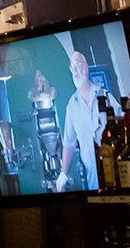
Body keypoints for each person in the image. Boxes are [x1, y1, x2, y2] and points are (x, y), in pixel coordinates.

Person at [52, 44, 106, 191]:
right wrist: (63, 174)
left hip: (113, 172)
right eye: (72, 67)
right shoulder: (72, 106)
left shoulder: (104, 95)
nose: (75, 70)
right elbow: (69, 143)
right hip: (93, 181)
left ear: (86, 66)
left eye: (77, 64)